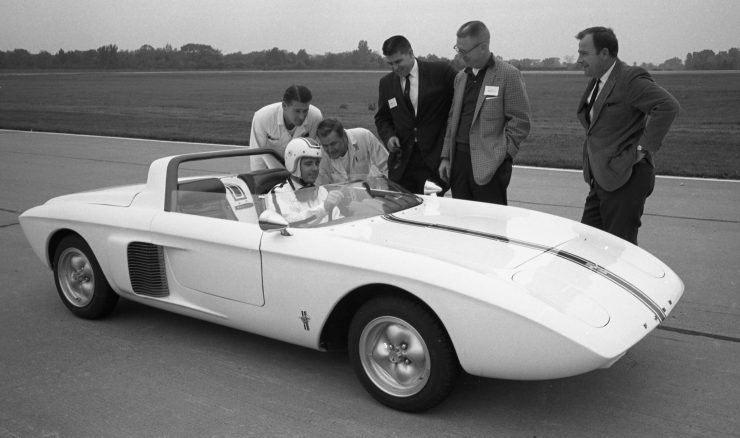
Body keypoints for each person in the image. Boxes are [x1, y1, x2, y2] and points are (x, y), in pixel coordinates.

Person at [575, 27, 679, 245]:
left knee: (620, 250)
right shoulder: (598, 80)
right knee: (586, 244)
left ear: (604, 53)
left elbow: (667, 106)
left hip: (626, 176)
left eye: (584, 54)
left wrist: (643, 149)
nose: (579, 60)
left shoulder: (629, 78)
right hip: (602, 177)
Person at [439, 21, 531, 205]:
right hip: (459, 163)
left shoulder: (508, 74)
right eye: (458, 49)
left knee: (491, 225)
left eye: (464, 51)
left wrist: (504, 154)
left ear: (483, 47)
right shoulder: (461, 77)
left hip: (491, 164)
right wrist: (446, 157)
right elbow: (452, 119)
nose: (460, 55)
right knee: (462, 222)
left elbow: (520, 121)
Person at [374, 35, 457, 194]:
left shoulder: (441, 72)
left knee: (431, 210)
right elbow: (382, 118)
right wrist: (389, 136)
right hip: (403, 163)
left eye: (398, 62)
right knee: (402, 208)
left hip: (434, 160)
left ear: (411, 53)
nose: (395, 68)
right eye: (390, 64)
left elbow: (461, 102)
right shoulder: (386, 83)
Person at [265, 137, 343, 225]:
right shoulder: (278, 193)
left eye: (317, 163)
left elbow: (337, 219)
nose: (315, 168)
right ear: (293, 165)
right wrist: (324, 208)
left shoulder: (321, 191)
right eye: (308, 164)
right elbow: (289, 224)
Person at [249, 85, 323, 158]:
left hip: (300, 168)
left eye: (305, 111)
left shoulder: (315, 117)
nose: (302, 116)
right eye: (297, 111)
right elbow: (257, 155)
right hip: (272, 168)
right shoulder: (262, 117)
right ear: (284, 106)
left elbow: (314, 152)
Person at [315, 118, 389, 184]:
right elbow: (321, 187)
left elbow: (387, 166)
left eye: (333, 144)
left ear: (343, 136)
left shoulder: (365, 136)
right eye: (325, 145)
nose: (330, 150)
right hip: (338, 197)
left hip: (367, 194)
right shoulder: (320, 155)